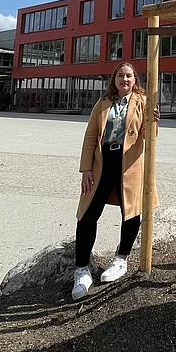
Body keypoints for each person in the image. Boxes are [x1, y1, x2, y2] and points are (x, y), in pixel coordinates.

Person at [72, 61, 159, 300]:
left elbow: (148, 137)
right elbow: (90, 135)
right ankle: (81, 268)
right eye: (120, 75)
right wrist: (86, 168)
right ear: (114, 79)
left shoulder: (142, 102)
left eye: (129, 76)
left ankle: (121, 258)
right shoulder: (102, 104)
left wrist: (152, 122)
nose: (124, 79)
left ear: (135, 80)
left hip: (129, 165)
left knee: (130, 212)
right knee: (87, 213)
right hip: (102, 164)